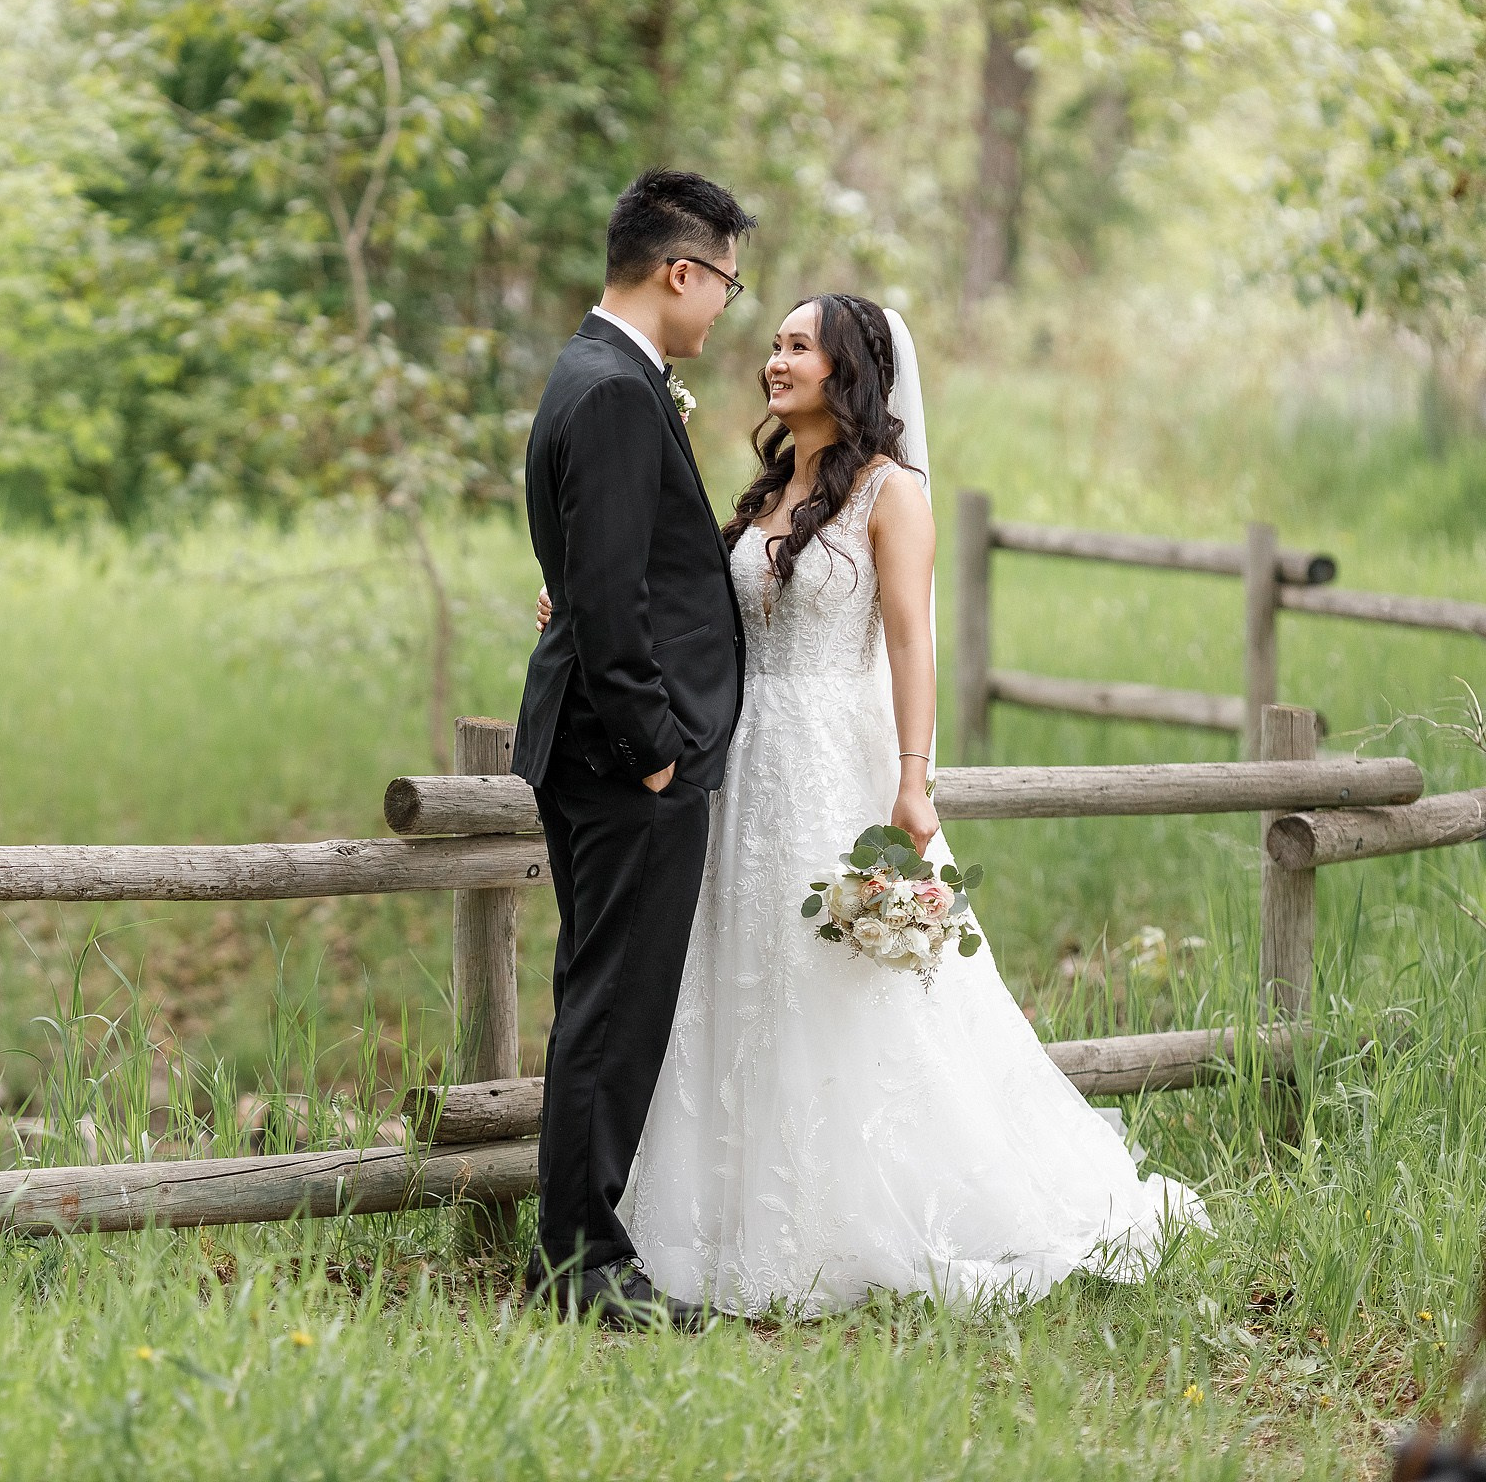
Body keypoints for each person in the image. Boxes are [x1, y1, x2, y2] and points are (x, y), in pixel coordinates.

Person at [537, 292, 1206, 1319]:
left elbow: (910, 640)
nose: (776, 360)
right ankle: (705, 1212)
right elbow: (687, 601)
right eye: (774, 343)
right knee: (732, 970)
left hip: (831, 758)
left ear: (848, 369)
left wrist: (912, 774)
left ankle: (848, 1214)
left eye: (799, 346)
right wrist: (581, 592)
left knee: (836, 983)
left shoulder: (892, 493)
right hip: (738, 755)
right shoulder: (767, 488)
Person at [511, 168, 755, 1327]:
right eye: (725, 285)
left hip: (606, 751)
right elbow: (606, 597)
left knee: (602, 999)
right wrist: (657, 746)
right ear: (679, 271)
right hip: (624, 762)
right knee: (615, 1005)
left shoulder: (595, 373)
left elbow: (598, 574)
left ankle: (577, 1247)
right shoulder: (613, 390)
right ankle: (584, 1266)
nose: (725, 312)